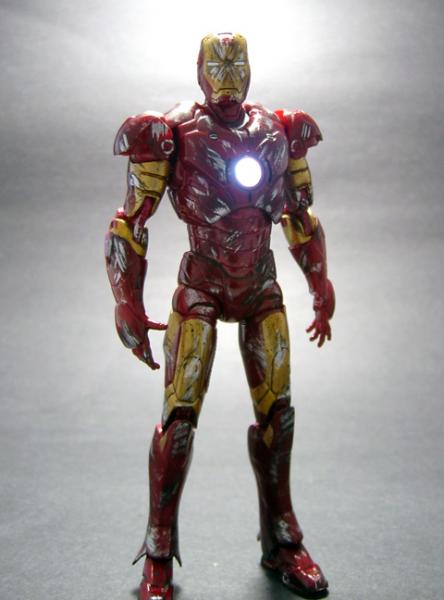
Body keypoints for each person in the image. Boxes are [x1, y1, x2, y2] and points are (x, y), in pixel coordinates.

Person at [105, 32, 335, 600]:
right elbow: (130, 222)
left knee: (278, 415)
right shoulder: (169, 133)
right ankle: (158, 552)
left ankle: (282, 540)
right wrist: (126, 300)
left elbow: (299, 216)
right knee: (179, 419)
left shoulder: (280, 130)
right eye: (218, 63)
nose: (227, 76)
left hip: (259, 284)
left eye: (237, 63)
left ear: (251, 67)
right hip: (202, 286)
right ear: (200, 68)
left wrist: (319, 281)